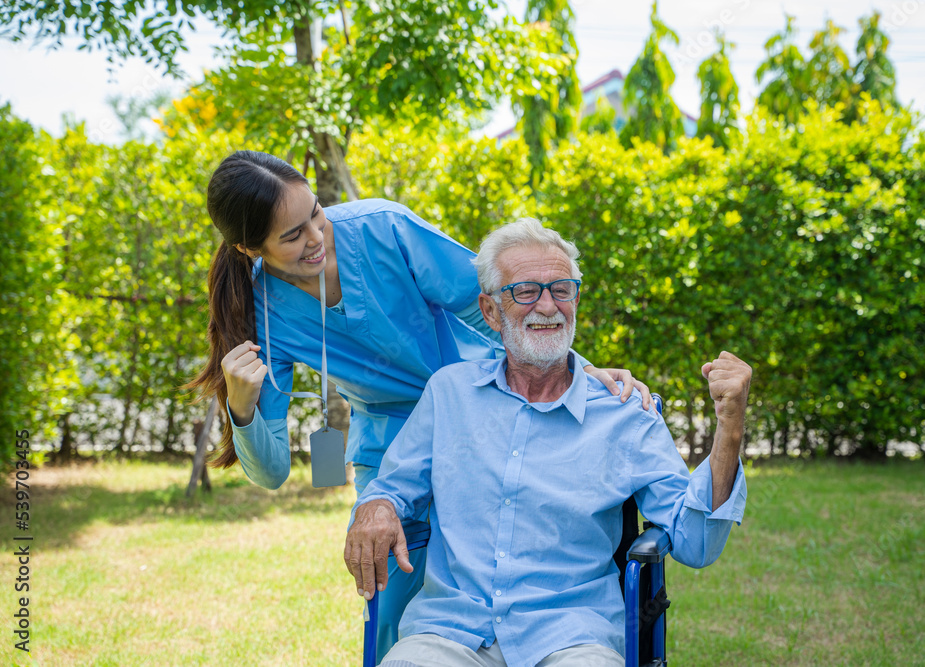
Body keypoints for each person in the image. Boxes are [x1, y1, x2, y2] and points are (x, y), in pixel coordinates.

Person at [185, 151, 652, 661]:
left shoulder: (383, 229)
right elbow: (271, 472)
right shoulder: (259, 312)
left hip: (484, 413)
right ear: (249, 247)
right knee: (401, 603)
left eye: (316, 213)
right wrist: (243, 406)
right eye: (293, 236)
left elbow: (494, 301)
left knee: (510, 564)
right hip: (388, 445)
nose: (317, 238)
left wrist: (571, 368)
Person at [345, 217, 751, 667]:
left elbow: (694, 542)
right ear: (490, 310)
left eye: (561, 289)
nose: (547, 306)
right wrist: (376, 506)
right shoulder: (449, 393)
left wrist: (729, 428)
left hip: (572, 638)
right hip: (449, 632)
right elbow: (393, 487)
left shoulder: (623, 414)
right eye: (525, 291)